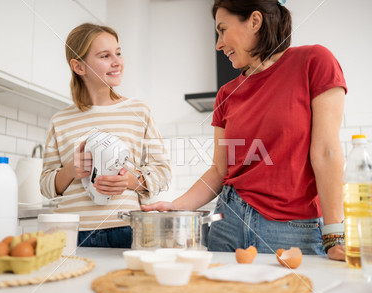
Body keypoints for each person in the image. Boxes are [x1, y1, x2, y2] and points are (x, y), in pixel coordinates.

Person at [142, 0, 346, 261]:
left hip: (292, 231)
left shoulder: (314, 62)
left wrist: (334, 236)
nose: (218, 44)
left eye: (223, 30)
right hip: (227, 222)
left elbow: (327, 153)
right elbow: (219, 170)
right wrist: (176, 206)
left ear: (255, 21)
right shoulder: (226, 94)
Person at [40, 23, 171, 249]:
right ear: (79, 66)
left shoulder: (139, 111)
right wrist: (70, 170)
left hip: (126, 228)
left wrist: (131, 180)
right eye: (105, 56)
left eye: (118, 53)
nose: (117, 61)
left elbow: (162, 171)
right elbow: (45, 185)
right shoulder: (60, 121)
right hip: (71, 232)